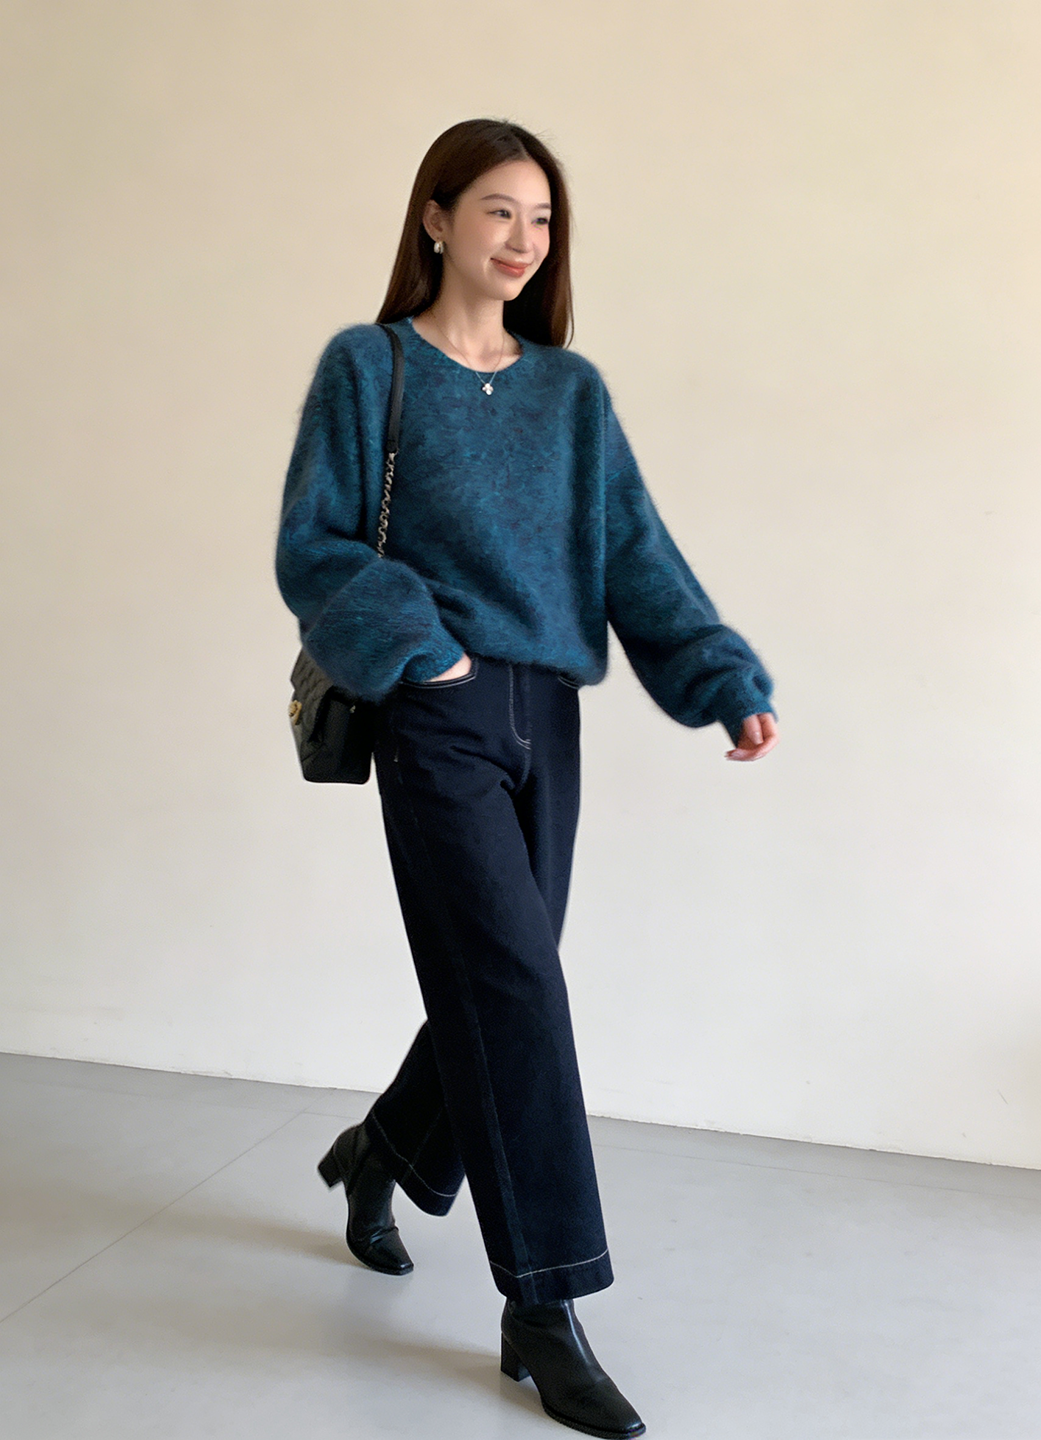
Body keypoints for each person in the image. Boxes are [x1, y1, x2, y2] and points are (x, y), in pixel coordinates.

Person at [275, 116, 778, 1440]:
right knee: (515, 991)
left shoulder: (571, 393)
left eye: (543, 219)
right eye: (498, 210)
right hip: (434, 713)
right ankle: (543, 1307)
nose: (523, 239)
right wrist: (421, 651)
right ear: (436, 218)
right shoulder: (370, 366)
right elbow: (315, 546)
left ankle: (381, 1151)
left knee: (503, 985)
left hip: (548, 719)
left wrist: (719, 676)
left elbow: (634, 555)